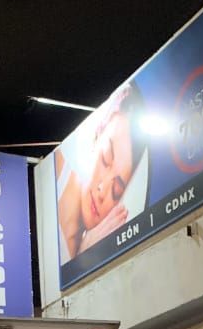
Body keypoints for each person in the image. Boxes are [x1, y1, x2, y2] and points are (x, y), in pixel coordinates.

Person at [56, 83, 146, 259]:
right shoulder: (54, 174)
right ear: (97, 134)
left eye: (116, 192)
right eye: (106, 158)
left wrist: (86, 250)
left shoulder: (92, 245)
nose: (102, 190)